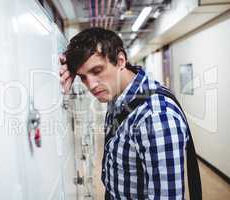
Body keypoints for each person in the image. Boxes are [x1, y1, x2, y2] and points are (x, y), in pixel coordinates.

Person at [59, 27, 200, 199]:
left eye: (97, 71)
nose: (91, 85)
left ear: (120, 61)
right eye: (83, 77)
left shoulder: (156, 117)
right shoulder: (117, 94)